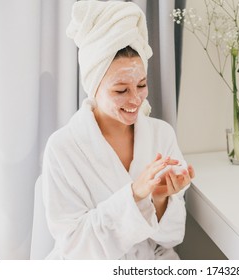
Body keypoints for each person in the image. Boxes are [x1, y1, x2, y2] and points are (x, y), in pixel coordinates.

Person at [41, 0, 194, 260]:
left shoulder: (161, 135)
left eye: (142, 84)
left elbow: (172, 236)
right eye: (121, 90)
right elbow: (74, 247)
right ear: (94, 86)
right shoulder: (63, 147)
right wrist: (134, 195)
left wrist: (160, 200)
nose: (136, 99)